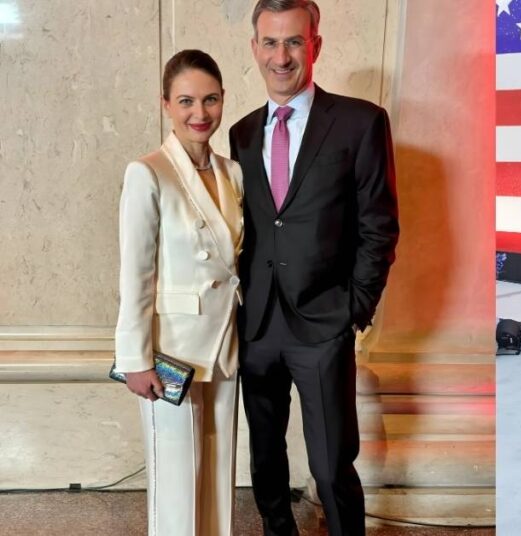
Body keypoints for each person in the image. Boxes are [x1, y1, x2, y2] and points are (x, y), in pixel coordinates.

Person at [228, 1, 400, 534]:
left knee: (329, 466)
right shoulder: (239, 133)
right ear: (255, 49)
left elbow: (380, 225)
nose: (282, 57)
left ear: (315, 45)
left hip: (324, 322)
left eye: (294, 42)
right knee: (264, 463)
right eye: (271, 43)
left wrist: (355, 308)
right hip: (255, 325)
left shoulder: (360, 122)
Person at [114, 49, 244, 535]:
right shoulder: (147, 172)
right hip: (170, 352)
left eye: (210, 100)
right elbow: (135, 274)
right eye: (186, 100)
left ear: (223, 100)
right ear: (166, 103)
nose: (200, 113)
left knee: (217, 475)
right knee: (175, 482)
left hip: (225, 344)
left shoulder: (233, 173)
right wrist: (135, 358)